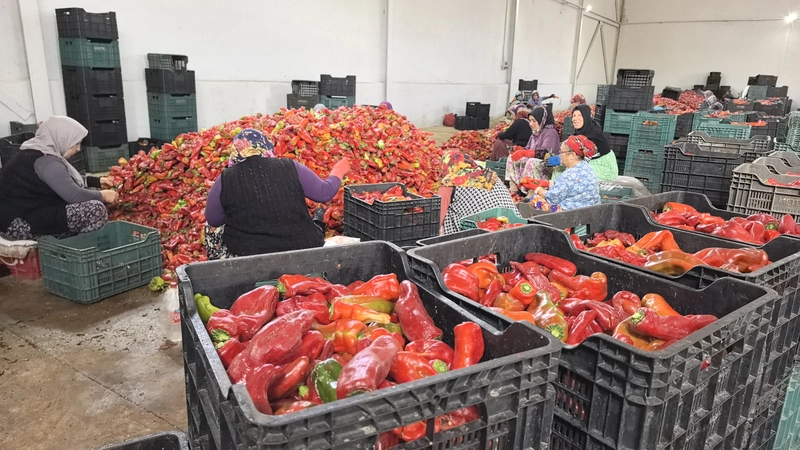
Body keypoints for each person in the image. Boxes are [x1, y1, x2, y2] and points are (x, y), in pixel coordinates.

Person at [203, 129, 350, 259]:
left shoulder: (226, 178)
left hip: (249, 256)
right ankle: (317, 225)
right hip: (302, 248)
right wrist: (339, 170)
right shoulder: (289, 166)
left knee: (210, 228)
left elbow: (213, 219)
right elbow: (325, 193)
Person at [0, 116, 116, 240]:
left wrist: (96, 181)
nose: (78, 149)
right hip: (20, 224)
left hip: (28, 211)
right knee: (96, 209)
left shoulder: (37, 151)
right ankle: (74, 245)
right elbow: (74, 195)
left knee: (91, 192)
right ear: (62, 138)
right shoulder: (47, 161)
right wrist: (103, 196)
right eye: (76, 143)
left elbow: (63, 180)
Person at [438, 150, 516, 235]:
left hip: (480, 234)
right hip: (514, 226)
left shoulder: (448, 182)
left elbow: (437, 218)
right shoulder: (490, 174)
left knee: (445, 211)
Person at [549, 104, 618, 181]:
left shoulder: (594, 134)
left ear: (586, 117)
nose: (575, 119)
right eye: (574, 116)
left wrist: (561, 160)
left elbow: (579, 157)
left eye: (580, 115)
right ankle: (553, 187)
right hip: (589, 162)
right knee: (558, 170)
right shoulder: (579, 133)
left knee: (572, 171)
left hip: (604, 167)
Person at [532, 135, 600, 210]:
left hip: (570, 212)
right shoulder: (587, 167)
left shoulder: (571, 174)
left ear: (572, 155)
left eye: (561, 152)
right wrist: (548, 184)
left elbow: (553, 198)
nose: (560, 155)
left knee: (535, 200)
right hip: (590, 209)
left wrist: (538, 189)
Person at [506, 106, 560, 192]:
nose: (531, 124)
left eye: (534, 121)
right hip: (535, 162)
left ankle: (532, 189)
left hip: (548, 166)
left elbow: (545, 153)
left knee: (532, 161)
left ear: (542, 120)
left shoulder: (550, 133)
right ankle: (514, 185)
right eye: (530, 120)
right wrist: (520, 149)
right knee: (512, 157)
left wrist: (525, 153)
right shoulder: (535, 134)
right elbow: (528, 148)